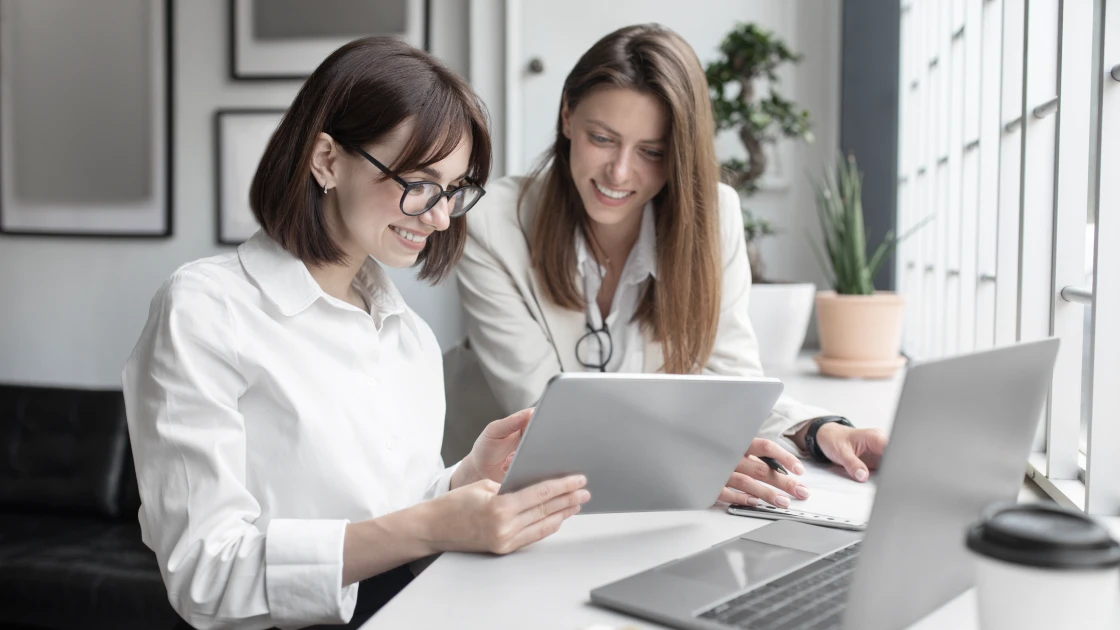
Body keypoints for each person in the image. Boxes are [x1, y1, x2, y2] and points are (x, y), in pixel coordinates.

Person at [122, 37, 589, 630]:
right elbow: (205, 576)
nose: (441, 216)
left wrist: (465, 479)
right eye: (418, 181)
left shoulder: (408, 337)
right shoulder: (206, 310)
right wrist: (434, 524)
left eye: (453, 190)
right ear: (326, 160)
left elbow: (390, 517)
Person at [443, 24, 887, 510]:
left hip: (640, 498)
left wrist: (815, 430)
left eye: (651, 152)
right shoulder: (490, 224)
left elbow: (730, 383)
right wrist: (692, 459)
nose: (619, 172)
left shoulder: (713, 217)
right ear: (567, 116)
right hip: (497, 498)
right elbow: (541, 413)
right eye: (602, 138)